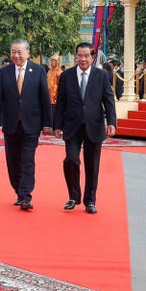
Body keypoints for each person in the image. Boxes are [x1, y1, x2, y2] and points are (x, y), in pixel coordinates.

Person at [53, 42, 116, 214]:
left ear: (92, 57)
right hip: (72, 126)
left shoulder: (101, 76)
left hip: (94, 125)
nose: (82, 59)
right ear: (76, 56)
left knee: (92, 165)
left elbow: (108, 100)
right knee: (71, 160)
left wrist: (111, 122)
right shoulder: (66, 76)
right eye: (79, 56)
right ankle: (73, 196)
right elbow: (61, 103)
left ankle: (90, 200)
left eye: (86, 56)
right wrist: (57, 125)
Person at [0, 39, 51, 211]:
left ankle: (26, 195)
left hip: (32, 124)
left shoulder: (38, 71)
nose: (16, 55)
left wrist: (48, 123)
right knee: (13, 161)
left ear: (28, 53)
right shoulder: (3, 73)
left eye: (20, 52)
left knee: (27, 160)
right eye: (13, 52)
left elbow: (44, 98)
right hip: (10, 125)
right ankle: (18, 190)